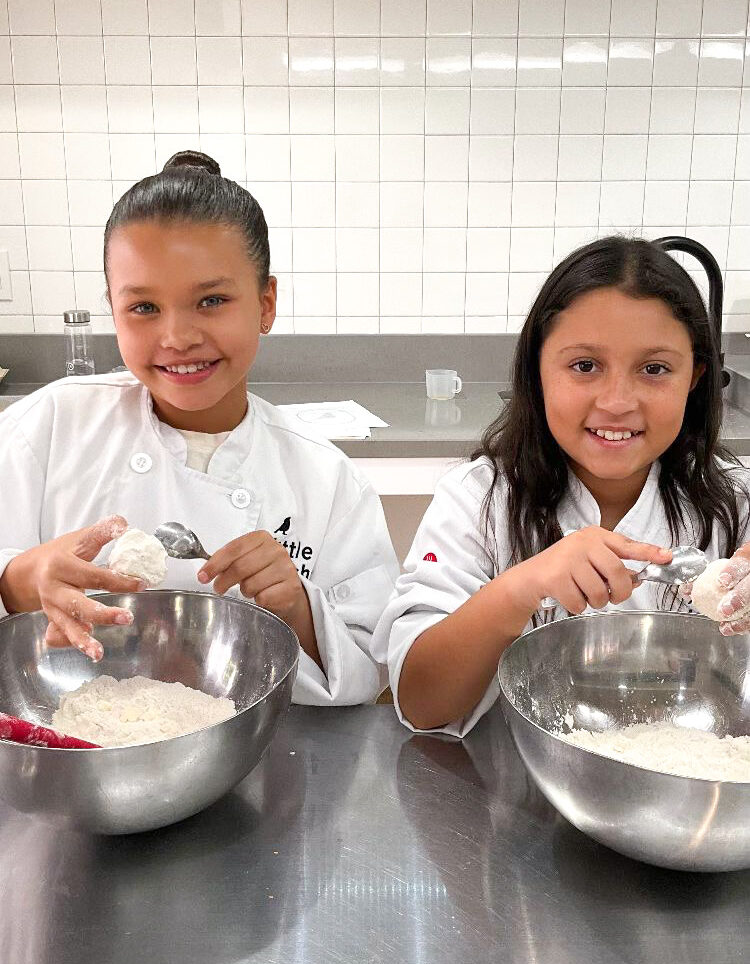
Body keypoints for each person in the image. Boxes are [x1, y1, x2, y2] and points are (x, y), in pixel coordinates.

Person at [0, 150, 399, 706]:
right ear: (113, 311)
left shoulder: (324, 478)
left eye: (211, 300)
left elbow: (368, 673)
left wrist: (298, 607)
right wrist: (18, 580)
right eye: (143, 307)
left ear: (265, 304)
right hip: (64, 744)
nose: (177, 337)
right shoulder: (44, 430)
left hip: (261, 753)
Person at [373, 236, 750, 736]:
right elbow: (421, 701)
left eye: (654, 369)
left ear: (696, 377)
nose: (617, 401)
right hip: (503, 786)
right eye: (584, 366)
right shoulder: (479, 502)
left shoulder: (733, 505)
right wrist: (519, 590)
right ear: (538, 370)